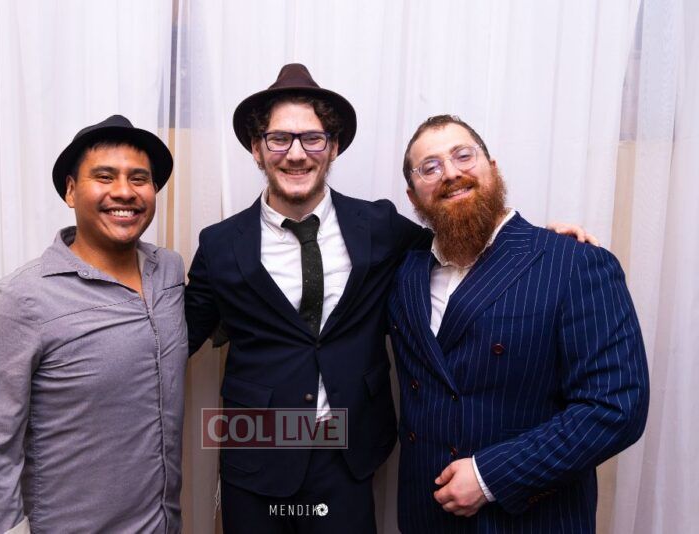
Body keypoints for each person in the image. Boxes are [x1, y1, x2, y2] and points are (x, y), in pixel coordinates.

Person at [185, 65, 593, 534]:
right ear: (257, 150)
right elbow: (180, 334)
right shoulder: (219, 244)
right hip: (257, 455)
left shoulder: (378, 227)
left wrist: (538, 242)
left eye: (312, 139)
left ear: (333, 147)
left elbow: (459, 244)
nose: (296, 154)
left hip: (348, 456)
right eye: (279, 139)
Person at [388, 114, 649, 533]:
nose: (450, 173)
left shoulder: (574, 263)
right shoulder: (404, 274)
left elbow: (616, 408)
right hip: (426, 517)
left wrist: (490, 477)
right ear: (413, 195)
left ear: (493, 168)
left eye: (463, 156)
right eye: (430, 167)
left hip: (531, 520)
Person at [0, 115, 187, 533]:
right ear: (70, 190)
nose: (124, 191)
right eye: (104, 176)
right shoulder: (18, 301)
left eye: (139, 179)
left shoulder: (169, 272)